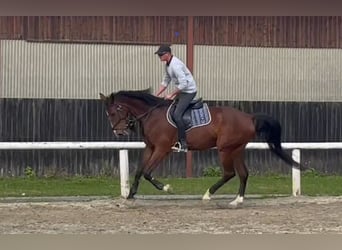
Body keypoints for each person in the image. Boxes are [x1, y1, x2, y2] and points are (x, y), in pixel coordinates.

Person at [154, 44, 198, 153]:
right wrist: (156, 94)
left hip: (189, 91)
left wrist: (171, 95)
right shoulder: (168, 65)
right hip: (182, 91)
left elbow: (184, 83)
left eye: (161, 55)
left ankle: (183, 143)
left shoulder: (175, 65)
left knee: (177, 114)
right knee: (170, 111)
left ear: (167, 54)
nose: (159, 57)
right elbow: (166, 81)